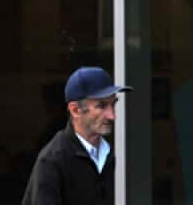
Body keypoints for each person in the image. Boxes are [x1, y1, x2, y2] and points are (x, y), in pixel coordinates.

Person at [21, 66, 132, 205]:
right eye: (101, 106)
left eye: (113, 104)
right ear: (75, 110)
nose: (112, 115)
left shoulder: (109, 155)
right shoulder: (52, 160)